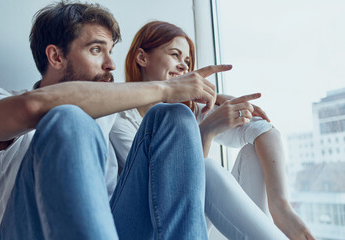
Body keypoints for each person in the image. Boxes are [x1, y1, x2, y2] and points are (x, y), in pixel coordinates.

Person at [0, 2, 235, 240]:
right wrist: (166, 88)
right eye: (96, 49)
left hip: (110, 228)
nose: (110, 63)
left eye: (111, 51)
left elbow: (157, 145)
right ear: (56, 57)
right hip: (29, 232)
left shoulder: (111, 113)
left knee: (173, 117)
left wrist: (204, 104)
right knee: (69, 117)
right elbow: (36, 105)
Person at [110, 21, 315, 240]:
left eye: (187, 61)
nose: (183, 66)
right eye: (175, 55)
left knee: (254, 153)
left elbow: (264, 130)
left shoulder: (190, 109)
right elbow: (167, 184)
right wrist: (206, 131)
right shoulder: (119, 116)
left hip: (193, 221)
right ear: (142, 58)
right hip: (149, 228)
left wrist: (280, 206)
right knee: (204, 167)